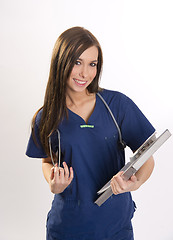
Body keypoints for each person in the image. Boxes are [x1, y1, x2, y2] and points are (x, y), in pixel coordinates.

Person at [26, 26, 155, 240]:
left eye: (92, 64)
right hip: (67, 227)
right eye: (77, 62)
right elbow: (47, 161)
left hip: (115, 226)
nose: (85, 73)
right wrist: (53, 182)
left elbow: (147, 156)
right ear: (61, 62)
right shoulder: (47, 116)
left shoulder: (117, 105)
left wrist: (137, 182)